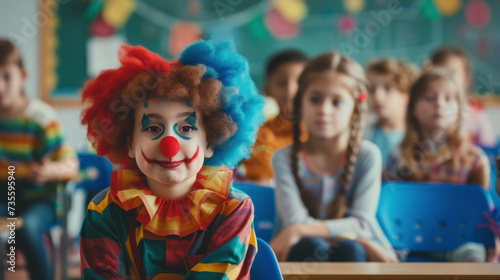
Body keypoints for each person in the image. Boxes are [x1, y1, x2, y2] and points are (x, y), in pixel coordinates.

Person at [79, 40, 265, 279]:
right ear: (130, 144)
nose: (169, 145)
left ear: (210, 142)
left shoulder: (232, 208)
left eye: (187, 128)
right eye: (153, 128)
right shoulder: (105, 211)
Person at [270, 52, 396, 262]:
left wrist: (302, 230)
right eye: (315, 99)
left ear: (355, 108)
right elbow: (295, 222)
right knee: (310, 245)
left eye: (337, 102)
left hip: (359, 250)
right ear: (301, 102)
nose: (324, 110)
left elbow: (362, 223)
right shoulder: (282, 158)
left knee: (350, 249)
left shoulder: (367, 155)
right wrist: (335, 232)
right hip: (296, 253)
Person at [384, 69, 495, 262]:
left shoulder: (474, 159)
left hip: (459, 241)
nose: (439, 104)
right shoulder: (400, 156)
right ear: (412, 108)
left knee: (474, 254)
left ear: (460, 109)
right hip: (407, 241)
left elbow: (482, 212)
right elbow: (387, 205)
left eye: (448, 99)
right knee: (384, 255)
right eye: (429, 97)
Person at [0, 38, 79, 280]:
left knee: (26, 228)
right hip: (5, 195)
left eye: (6, 77)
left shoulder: (41, 118)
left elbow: (71, 166)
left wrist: (49, 171)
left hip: (41, 200)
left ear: (23, 76)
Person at [239, 49, 307, 185]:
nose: (290, 89)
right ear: (267, 90)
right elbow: (258, 182)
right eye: (282, 83)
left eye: (300, 81)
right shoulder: (256, 134)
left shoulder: (321, 132)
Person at [427, 46, 496, 148]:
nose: (445, 78)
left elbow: (490, 146)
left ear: (466, 79)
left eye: (452, 72)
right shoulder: (427, 109)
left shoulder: (476, 112)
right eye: (439, 73)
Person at [365, 58, 419, 165]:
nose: (377, 96)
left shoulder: (418, 137)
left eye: (388, 88)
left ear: (407, 95)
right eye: (372, 89)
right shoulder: (363, 131)